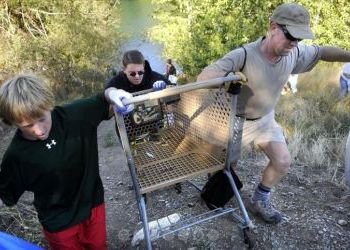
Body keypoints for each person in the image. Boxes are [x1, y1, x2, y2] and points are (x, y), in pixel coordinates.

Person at [197, 2, 350, 224]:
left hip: (265, 121)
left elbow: (323, 51)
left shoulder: (294, 53)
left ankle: (260, 200)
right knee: (226, 172)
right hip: (233, 123)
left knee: (283, 161)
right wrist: (227, 78)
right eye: (290, 35)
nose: (294, 43)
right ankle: (218, 197)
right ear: (273, 27)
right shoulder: (244, 55)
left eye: (299, 38)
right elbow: (204, 77)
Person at [0, 74, 128, 249]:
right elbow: (6, 194)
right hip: (58, 223)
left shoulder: (74, 116)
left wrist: (115, 94)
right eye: (27, 126)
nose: (38, 131)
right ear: (13, 122)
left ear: (49, 106)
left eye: (42, 119)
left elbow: (104, 99)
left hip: (92, 205)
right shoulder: (16, 156)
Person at [104, 49, 175, 115]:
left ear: (144, 68)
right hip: (128, 126)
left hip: (156, 124)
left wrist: (165, 92)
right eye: (132, 73)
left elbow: (174, 105)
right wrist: (112, 93)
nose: (137, 76)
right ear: (124, 70)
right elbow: (107, 91)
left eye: (140, 72)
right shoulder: (118, 80)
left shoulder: (155, 77)